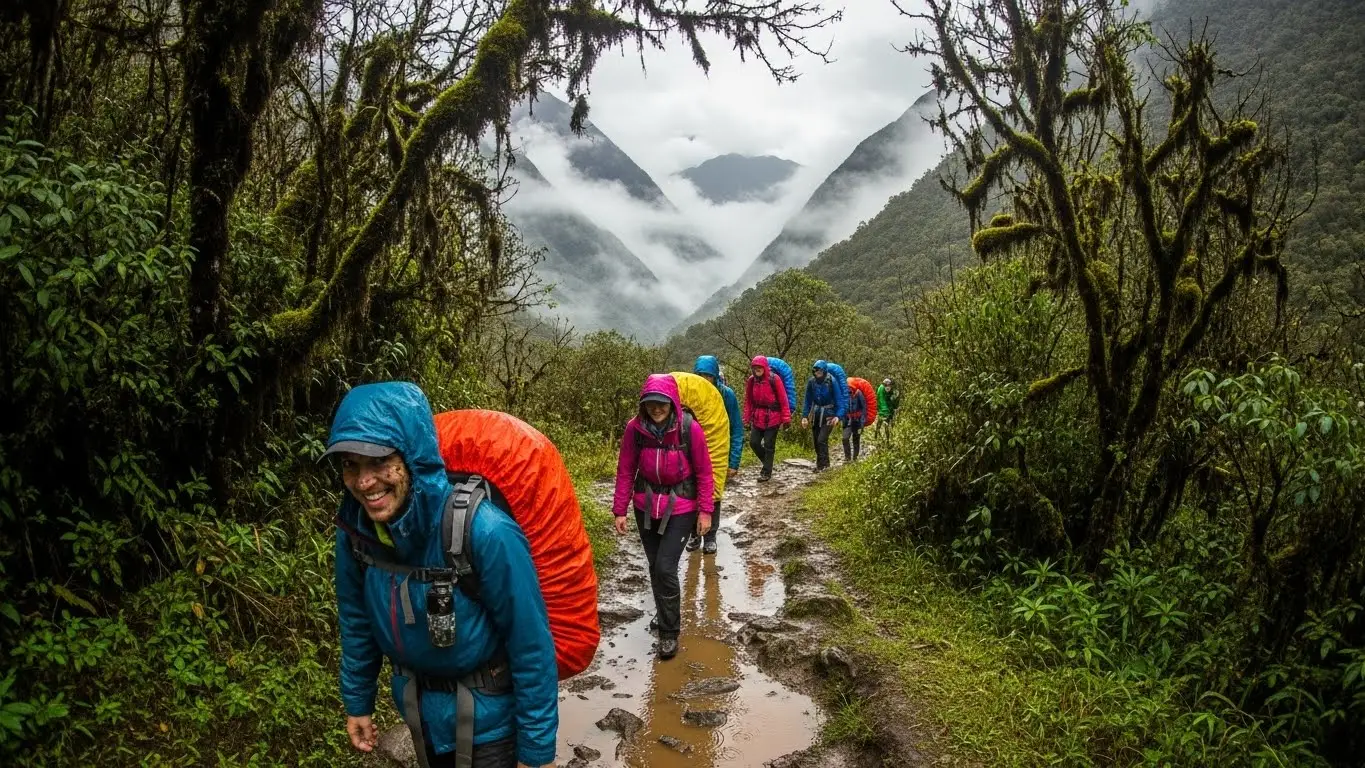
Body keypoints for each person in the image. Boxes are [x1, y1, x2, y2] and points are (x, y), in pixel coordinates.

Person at [328, 382, 558, 768]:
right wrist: (358, 701)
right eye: (350, 464)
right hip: (419, 715)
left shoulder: (484, 530)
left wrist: (536, 752)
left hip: (491, 725)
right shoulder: (356, 533)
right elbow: (356, 621)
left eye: (379, 461)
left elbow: (530, 641)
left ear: (412, 457)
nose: (364, 482)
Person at [612, 374, 714, 659]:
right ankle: (663, 611)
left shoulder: (689, 429)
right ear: (643, 404)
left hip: (681, 506)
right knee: (655, 566)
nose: (656, 408)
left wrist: (705, 511)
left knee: (665, 567)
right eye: (650, 403)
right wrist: (620, 509)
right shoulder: (634, 430)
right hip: (645, 505)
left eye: (662, 403)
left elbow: (705, 472)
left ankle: (669, 633)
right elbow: (625, 469)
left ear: (673, 403)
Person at [688, 355, 742, 554]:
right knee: (690, 493)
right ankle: (694, 534)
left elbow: (736, 429)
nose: (704, 379)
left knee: (713, 494)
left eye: (708, 376)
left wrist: (733, 461)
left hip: (717, 452)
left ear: (715, 376)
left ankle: (710, 537)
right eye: (700, 375)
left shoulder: (727, 395)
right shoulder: (691, 394)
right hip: (692, 451)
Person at [743, 356, 791, 482]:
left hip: (774, 416)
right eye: (755, 367)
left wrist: (786, 418)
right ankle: (768, 463)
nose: (757, 370)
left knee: (769, 444)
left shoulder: (775, 379)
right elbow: (748, 401)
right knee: (754, 442)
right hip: (757, 416)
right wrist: (746, 418)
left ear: (764, 367)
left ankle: (766, 472)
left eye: (759, 367)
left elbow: (783, 399)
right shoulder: (751, 381)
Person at [801, 360, 845, 471]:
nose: (818, 373)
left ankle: (825, 466)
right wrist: (805, 416)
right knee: (816, 441)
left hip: (830, 415)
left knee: (821, 439)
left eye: (820, 371)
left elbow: (839, 400)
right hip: (816, 414)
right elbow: (807, 400)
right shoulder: (811, 382)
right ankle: (820, 465)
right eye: (816, 371)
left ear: (824, 371)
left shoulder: (832, 381)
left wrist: (838, 416)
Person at [843, 382, 867, 462]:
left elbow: (864, 408)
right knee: (845, 438)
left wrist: (862, 422)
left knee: (856, 439)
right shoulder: (843, 394)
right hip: (847, 420)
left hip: (857, 420)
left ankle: (855, 458)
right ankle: (847, 458)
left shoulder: (858, 393)